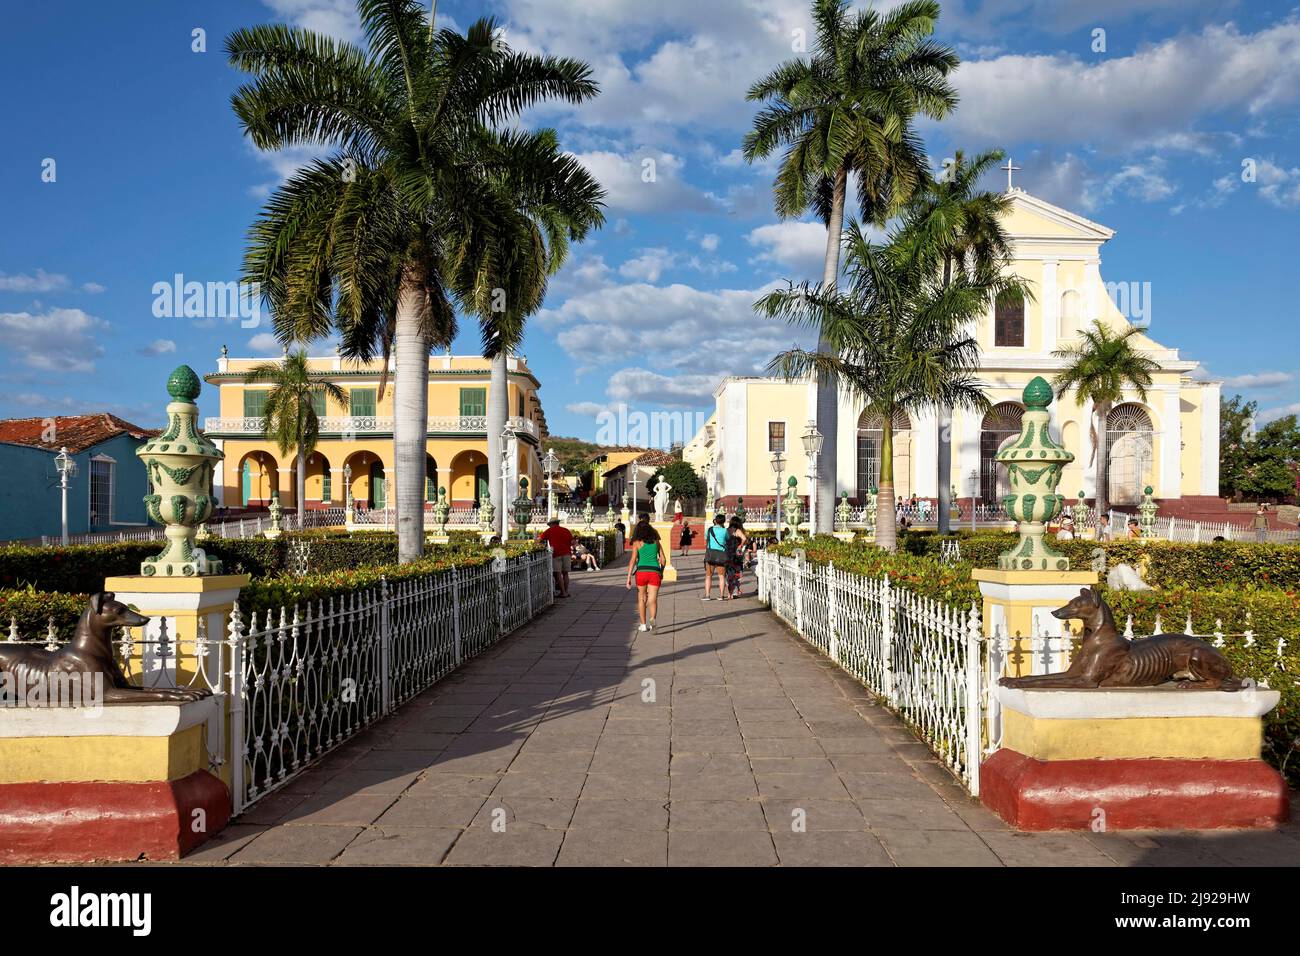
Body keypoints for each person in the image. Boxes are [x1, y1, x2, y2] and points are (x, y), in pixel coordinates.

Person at [625, 518, 664, 632]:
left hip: (641, 572)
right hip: (654, 572)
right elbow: (663, 559)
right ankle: (653, 620)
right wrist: (661, 571)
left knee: (641, 598)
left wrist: (628, 578)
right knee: (653, 598)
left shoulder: (637, 543)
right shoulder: (656, 542)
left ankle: (643, 624)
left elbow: (632, 560)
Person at [538, 518, 574, 598]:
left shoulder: (549, 531)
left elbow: (539, 540)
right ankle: (566, 591)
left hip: (556, 554)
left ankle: (563, 592)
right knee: (565, 574)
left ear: (551, 524)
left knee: (558, 574)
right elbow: (572, 542)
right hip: (567, 553)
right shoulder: (566, 530)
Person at [702, 514, 730, 601]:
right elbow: (727, 539)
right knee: (721, 576)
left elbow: (706, 540)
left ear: (715, 521)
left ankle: (707, 595)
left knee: (708, 576)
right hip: (721, 555)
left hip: (710, 555)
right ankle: (721, 595)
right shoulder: (725, 530)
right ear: (723, 521)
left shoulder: (709, 530)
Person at [725, 517, 749, 597]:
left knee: (729, 573)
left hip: (727, 554)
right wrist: (740, 545)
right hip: (736, 555)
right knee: (737, 573)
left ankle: (730, 593)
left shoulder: (727, 530)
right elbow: (744, 538)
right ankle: (735, 591)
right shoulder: (737, 530)